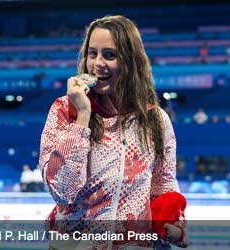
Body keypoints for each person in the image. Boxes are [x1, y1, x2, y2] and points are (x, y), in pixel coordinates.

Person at [39, 15, 187, 249]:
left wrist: (173, 224)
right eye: (92, 53)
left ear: (131, 61)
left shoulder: (155, 120)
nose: (98, 63)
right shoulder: (64, 110)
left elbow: (164, 185)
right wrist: (83, 116)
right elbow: (62, 191)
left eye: (110, 55)